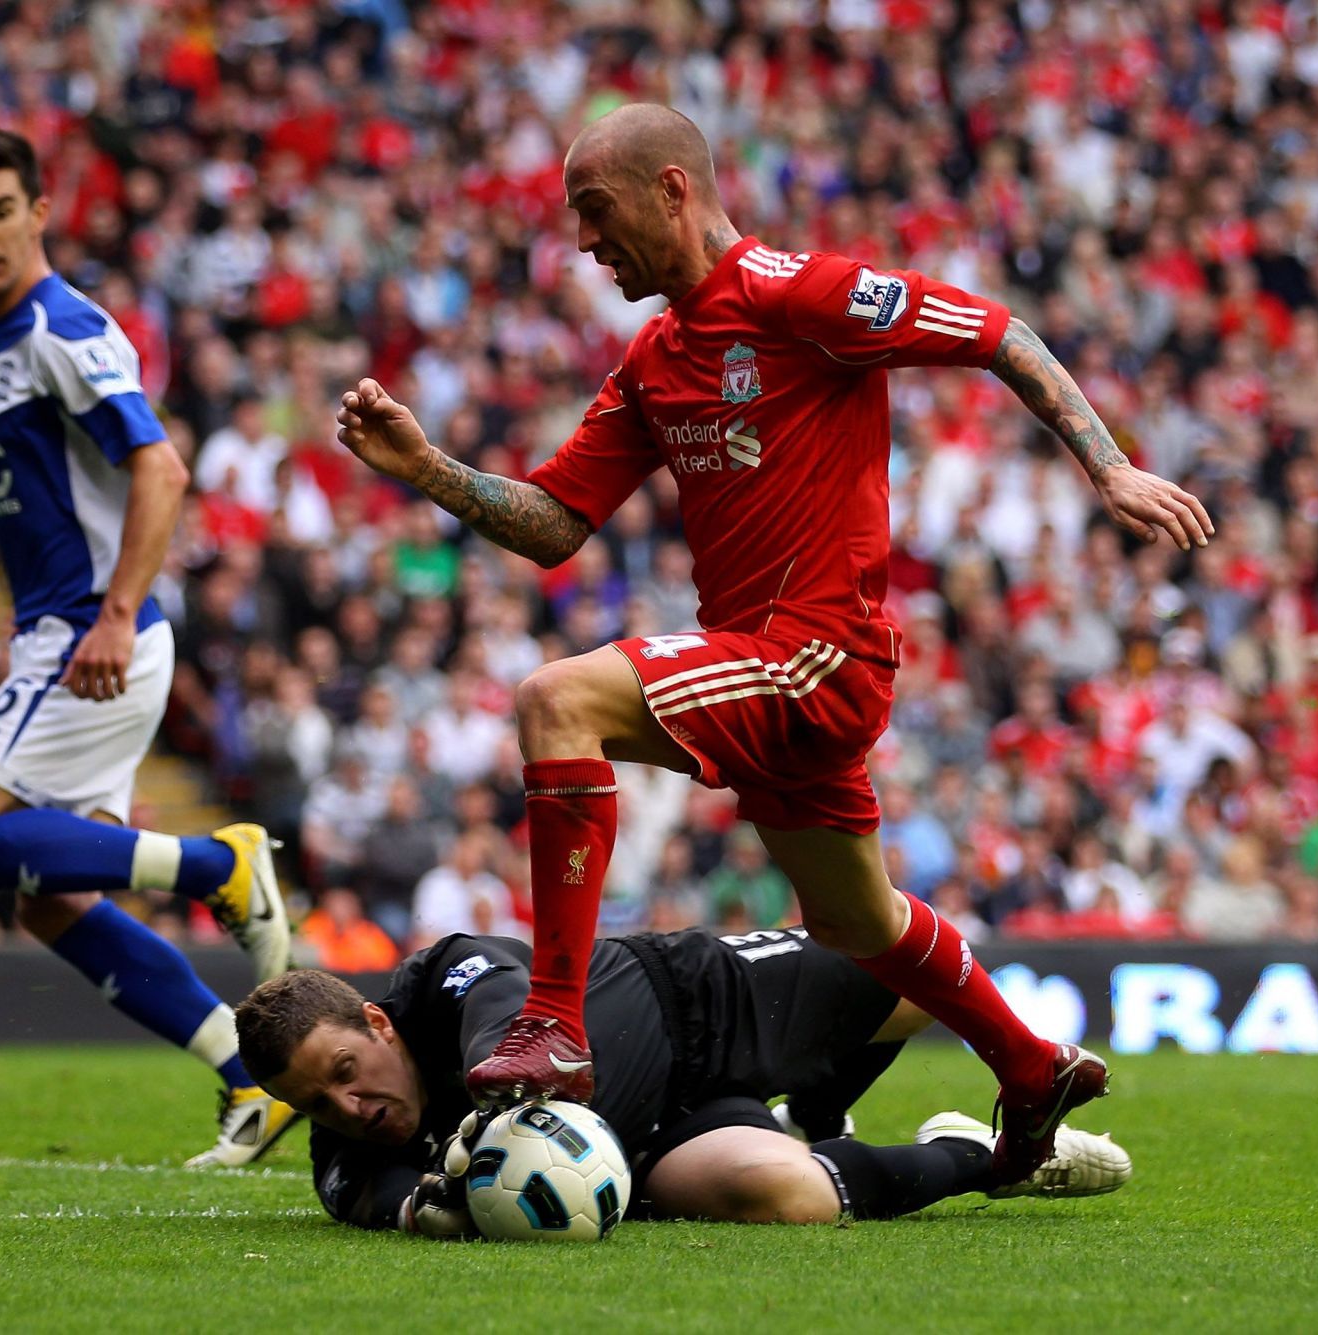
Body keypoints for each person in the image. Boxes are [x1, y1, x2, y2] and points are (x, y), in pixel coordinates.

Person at [335, 103, 1211, 1178]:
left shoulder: (805, 295)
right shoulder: (655, 359)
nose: (583, 242)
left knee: (555, 701)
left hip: (821, 652)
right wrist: (427, 471)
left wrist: (1109, 466)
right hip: (765, 669)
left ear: (673, 188)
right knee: (858, 923)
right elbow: (558, 525)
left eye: (596, 211)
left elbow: (1000, 333)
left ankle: (554, 1021)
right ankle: (1032, 1067)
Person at [0, 124, 292, 1168]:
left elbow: (159, 471)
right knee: (49, 905)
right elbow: (17, 508)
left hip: (87, 641)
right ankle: (251, 1075)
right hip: (63, 636)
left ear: (39, 211)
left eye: (0, 211)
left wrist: (114, 613)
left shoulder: (63, 328)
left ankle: (216, 864)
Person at [236, 927, 1129, 1235]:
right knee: (786, 1192)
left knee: (910, 975)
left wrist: (498, 1099)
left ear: (377, 1023)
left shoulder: (441, 979)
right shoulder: (342, 1153)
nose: (348, 1108)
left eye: (347, 1073)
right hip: (659, 1141)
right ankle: (981, 1156)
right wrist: (427, 1206)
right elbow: (379, 1198)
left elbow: (508, 1007)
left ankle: (822, 1111)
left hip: (686, 1002)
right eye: (317, 1103)